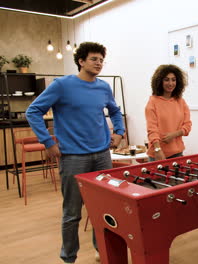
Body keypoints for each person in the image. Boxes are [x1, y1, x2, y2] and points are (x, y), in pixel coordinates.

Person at [26, 42, 125, 264]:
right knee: (72, 212)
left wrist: (119, 132)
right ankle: (68, 258)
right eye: (93, 59)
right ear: (81, 61)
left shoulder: (103, 87)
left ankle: (103, 250)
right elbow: (33, 111)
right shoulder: (62, 85)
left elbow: (116, 111)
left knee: (104, 208)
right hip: (72, 158)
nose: (98, 63)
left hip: (102, 155)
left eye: (101, 59)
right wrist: (47, 142)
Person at [145, 64, 192, 161]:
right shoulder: (152, 102)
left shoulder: (180, 102)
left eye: (173, 80)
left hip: (177, 153)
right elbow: (152, 130)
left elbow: (187, 126)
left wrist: (174, 134)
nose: (170, 83)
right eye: (166, 80)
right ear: (159, 81)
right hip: (158, 154)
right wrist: (158, 150)